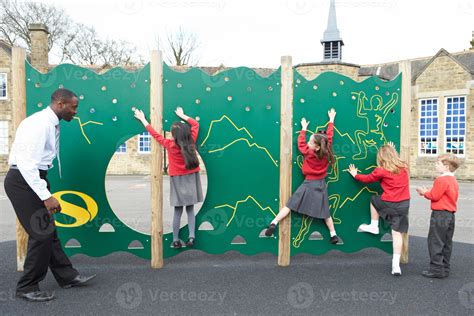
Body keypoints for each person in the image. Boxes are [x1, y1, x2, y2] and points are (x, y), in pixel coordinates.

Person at [4, 89, 96, 302]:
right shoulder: (40, 124)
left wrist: (44, 188)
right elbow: (27, 165)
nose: (75, 112)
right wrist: (46, 196)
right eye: (73, 107)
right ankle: (26, 286)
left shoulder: (50, 122)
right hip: (23, 180)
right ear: (61, 103)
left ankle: (67, 276)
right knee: (41, 233)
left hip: (34, 178)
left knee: (49, 231)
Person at [265, 109, 340, 244]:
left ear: (316, 148)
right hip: (320, 185)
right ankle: (333, 234)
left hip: (308, 184)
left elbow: (300, 144)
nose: (308, 144)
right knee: (325, 212)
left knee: (289, 205)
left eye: (310, 143)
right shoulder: (326, 151)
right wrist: (331, 120)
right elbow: (329, 136)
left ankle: (274, 222)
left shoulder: (308, 152)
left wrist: (304, 129)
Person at [134, 107, 202, 249]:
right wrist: (183, 115)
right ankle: (191, 237)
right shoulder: (191, 140)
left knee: (178, 211)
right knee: (190, 209)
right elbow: (195, 124)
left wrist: (143, 119)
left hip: (177, 179)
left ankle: (176, 240)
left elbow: (154, 134)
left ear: (174, 136)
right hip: (191, 177)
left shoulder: (170, 145)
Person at [347, 144, 410, 276]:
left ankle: (374, 225)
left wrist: (355, 174)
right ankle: (396, 265)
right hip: (404, 204)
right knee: (397, 234)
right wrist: (391, 148)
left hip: (389, 203)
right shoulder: (404, 167)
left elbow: (366, 179)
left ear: (380, 157)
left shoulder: (381, 170)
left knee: (374, 200)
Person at [416, 154, 460, 278]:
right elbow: (443, 195)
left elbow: (434, 196)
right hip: (450, 215)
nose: (435, 164)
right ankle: (445, 267)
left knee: (435, 241)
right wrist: (429, 192)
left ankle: (436, 269)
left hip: (440, 214)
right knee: (446, 242)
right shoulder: (453, 180)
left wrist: (424, 192)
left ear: (446, 167)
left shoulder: (441, 179)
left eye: (438, 163)